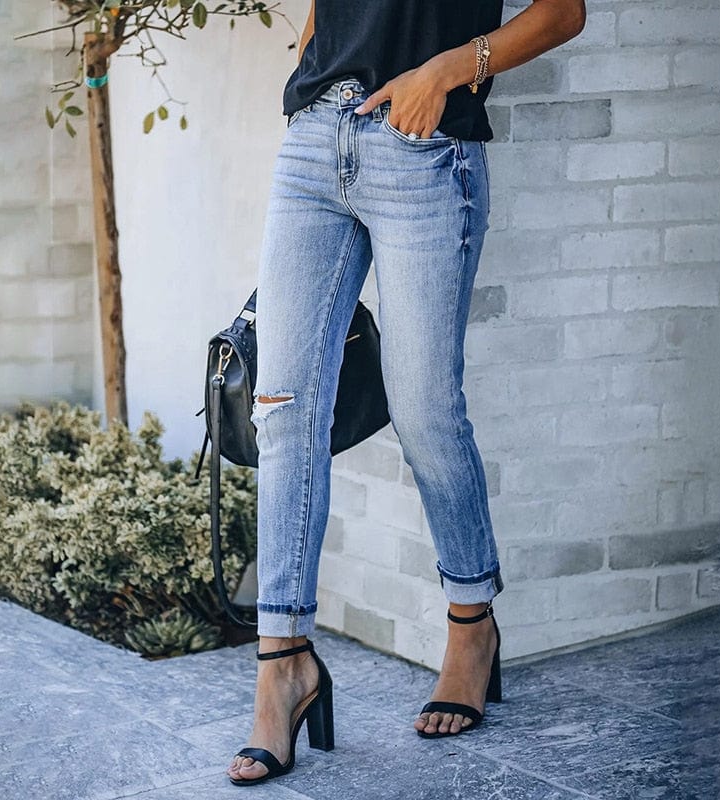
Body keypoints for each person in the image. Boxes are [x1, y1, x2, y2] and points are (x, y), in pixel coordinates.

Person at [227, 0, 586, 786]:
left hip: (424, 147)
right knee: (282, 413)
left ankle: (471, 622)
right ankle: (283, 661)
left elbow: (564, 12)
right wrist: (313, 70)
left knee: (424, 413)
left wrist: (447, 71)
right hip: (315, 140)